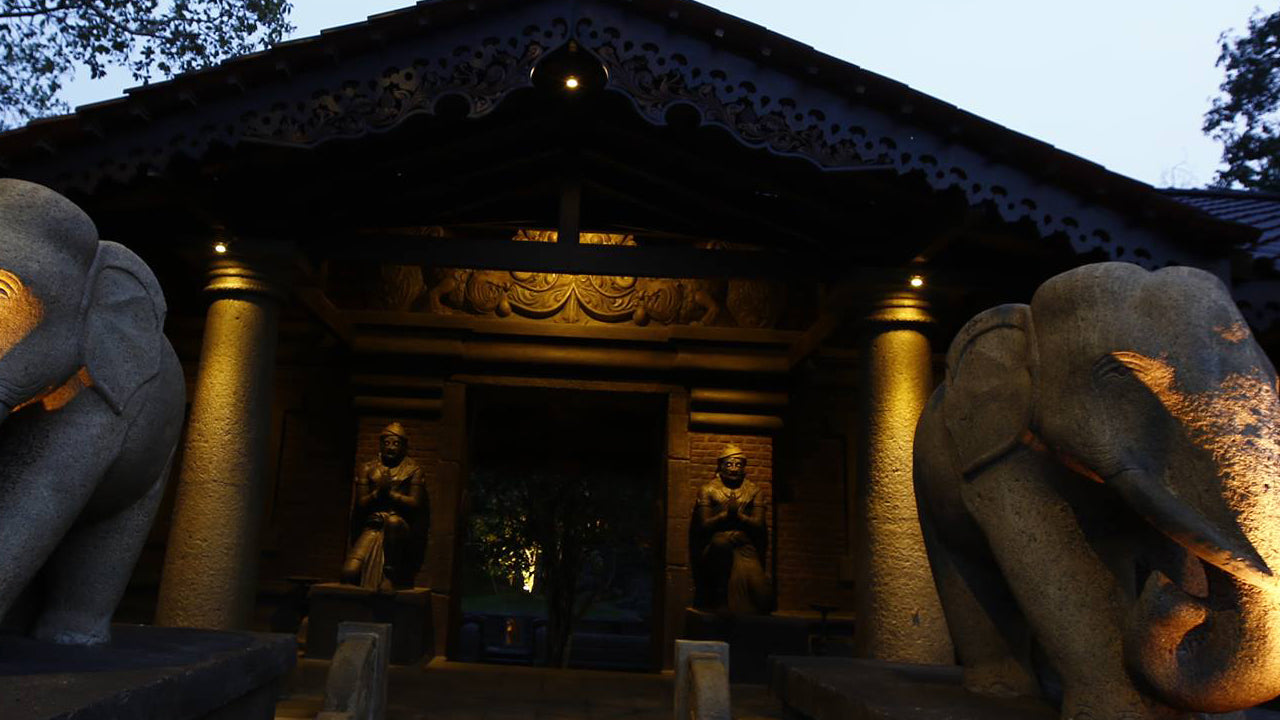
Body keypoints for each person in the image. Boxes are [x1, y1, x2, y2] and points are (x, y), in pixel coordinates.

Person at [342, 422, 429, 590]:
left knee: (393, 522)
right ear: (381, 445)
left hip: (398, 527)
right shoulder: (367, 468)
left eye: (396, 443)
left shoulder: (413, 470)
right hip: (373, 526)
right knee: (349, 573)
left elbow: (415, 503)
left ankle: (389, 576)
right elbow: (361, 503)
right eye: (387, 443)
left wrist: (390, 494)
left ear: (403, 447)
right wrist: (377, 493)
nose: (391, 447)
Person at [691, 444, 773, 614]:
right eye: (729, 464)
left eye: (738, 464)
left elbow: (758, 524)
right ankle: (720, 598)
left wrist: (739, 517)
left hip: (744, 546)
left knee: (764, 599)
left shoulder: (753, 491)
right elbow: (703, 525)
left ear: (744, 468)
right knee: (721, 544)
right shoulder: (708, 490)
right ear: (721, 466)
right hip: (717, 546)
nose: (734, 468)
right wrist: (724, 516)